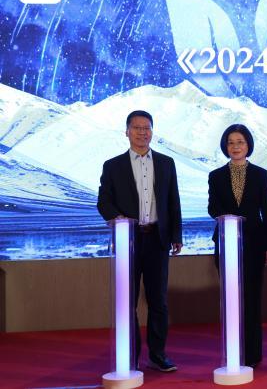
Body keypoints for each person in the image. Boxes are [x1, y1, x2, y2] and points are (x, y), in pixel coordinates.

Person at [97, 110, 182, 372]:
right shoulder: (113, 166)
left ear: (152, 132)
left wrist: (176, 235)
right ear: (127, 132)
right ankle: (130, 357)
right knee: (128, 301)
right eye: (137, 128)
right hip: (129, 241)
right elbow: (104, 201)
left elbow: (173, 201)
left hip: (157, 239)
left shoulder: (166, 163)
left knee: (158, 301)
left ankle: (158, 355)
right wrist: (118, 218)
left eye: (147, 128)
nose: (142, 132)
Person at [208, 124, 267, 368]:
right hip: (226, 243)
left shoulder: (260, 174)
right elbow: (212, 207)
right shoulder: (216, 175)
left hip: (254, 245)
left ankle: (253, 355)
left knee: (252, 298)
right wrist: (227, 218)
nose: (235, 147)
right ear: (225, 146)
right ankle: (232, 352)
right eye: (231, 142)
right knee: (230, 299)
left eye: (240, 142)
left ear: (248, 145)